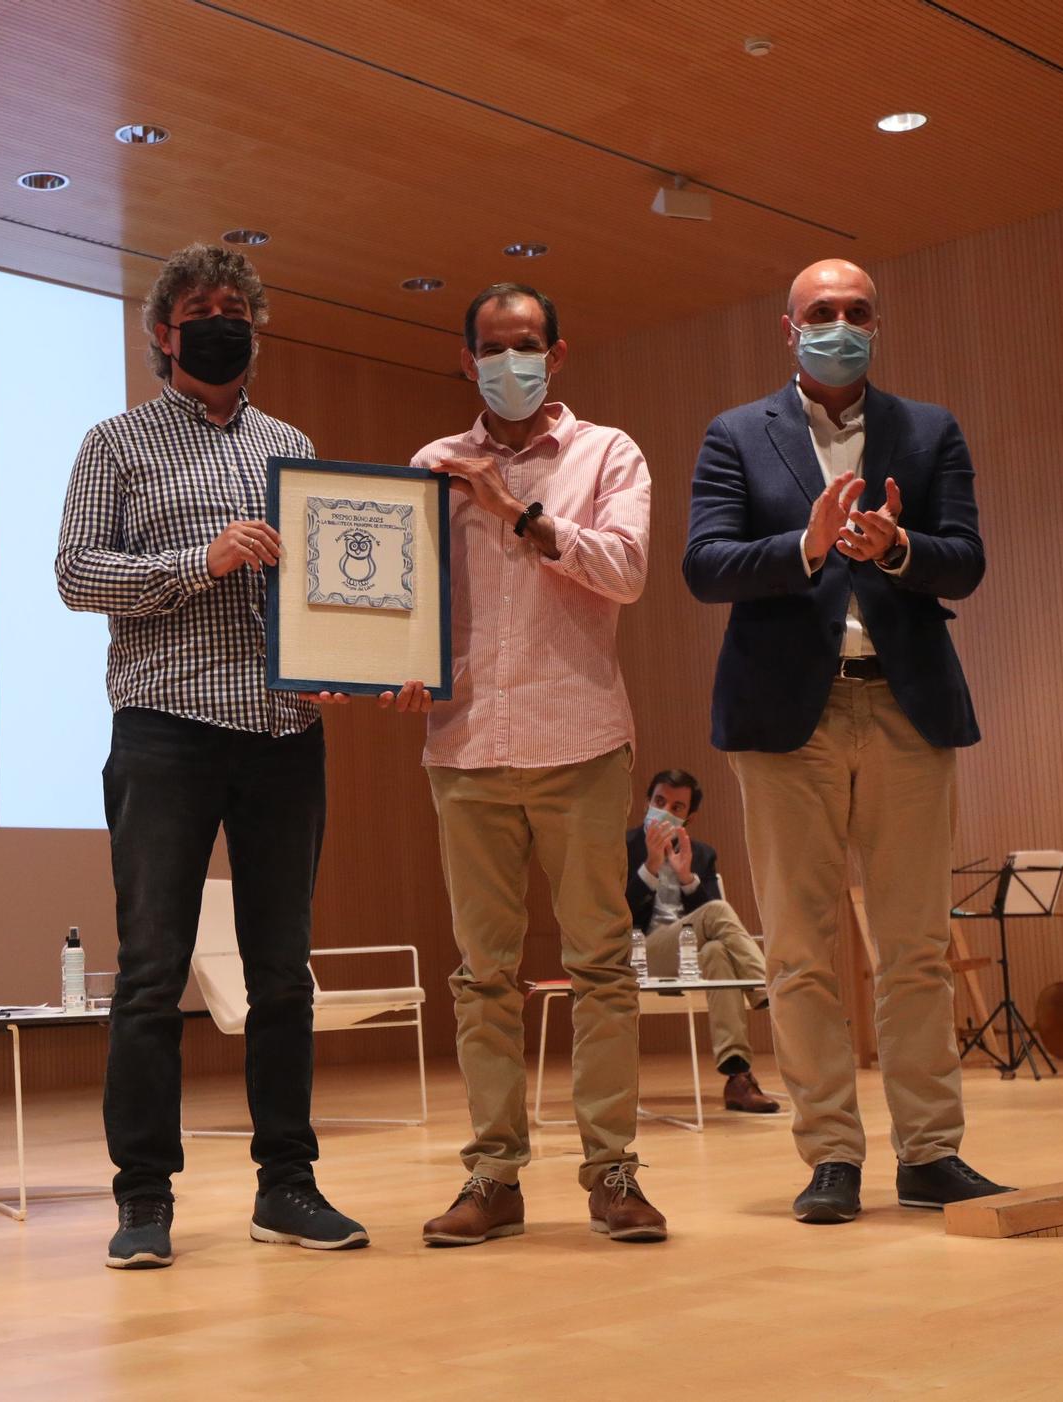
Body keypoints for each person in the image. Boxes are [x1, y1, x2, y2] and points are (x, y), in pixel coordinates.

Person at [56, 243, 368, 1268]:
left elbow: (327, 583)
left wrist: (337, 662)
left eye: (235, 308)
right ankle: (142, 1199)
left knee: (283, 975)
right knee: (151, 975)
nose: (220, 321)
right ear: (161, 332)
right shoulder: (115, 443)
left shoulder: (293, 441)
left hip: (285, 732)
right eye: (199, 309)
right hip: (167, 727)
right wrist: (202, 559)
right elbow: (73, 573)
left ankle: (287, 1184)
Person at [684, 257, 1011, 1225]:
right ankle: (828, 1153)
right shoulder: (736, 433)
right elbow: (704, 567)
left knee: (912, 945)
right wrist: (810, 546)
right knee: (796, 951)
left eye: (855, 312)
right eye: (819, 313)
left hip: (903, 706)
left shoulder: (927, 427)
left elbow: (966, 559)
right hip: (788, 715)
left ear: (878, 324)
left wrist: (897, 549)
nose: (839, 325)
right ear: (786, 329)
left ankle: (929, 1152)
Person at [406, 283, 663, 1249]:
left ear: (556, 356)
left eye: (526, 346)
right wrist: (390, 660)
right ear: (464, 358)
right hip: (465, 743)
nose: (508, 361)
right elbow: (399, 599)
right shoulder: (432, 466)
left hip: (582, 739)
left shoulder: (610, 452)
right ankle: (492, 1176)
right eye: (490, 347)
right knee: (483, 973)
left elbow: (628, 570)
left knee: (601, 963)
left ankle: (613, 1172)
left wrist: (521, 515)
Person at [625, 768, 780, 1114]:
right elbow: (616, 915)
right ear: (647, 802)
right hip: (638, 954)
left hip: (689, 953)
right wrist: (650, 868)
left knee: (715, 952)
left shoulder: (702, 854)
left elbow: (708, 916)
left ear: (689, 817)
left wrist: (686, 877)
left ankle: (737, 1076)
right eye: (659, 801)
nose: (665, 810)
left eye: (677, 807)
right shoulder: (623, 846)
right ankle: (771, 989)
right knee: (716, 913)